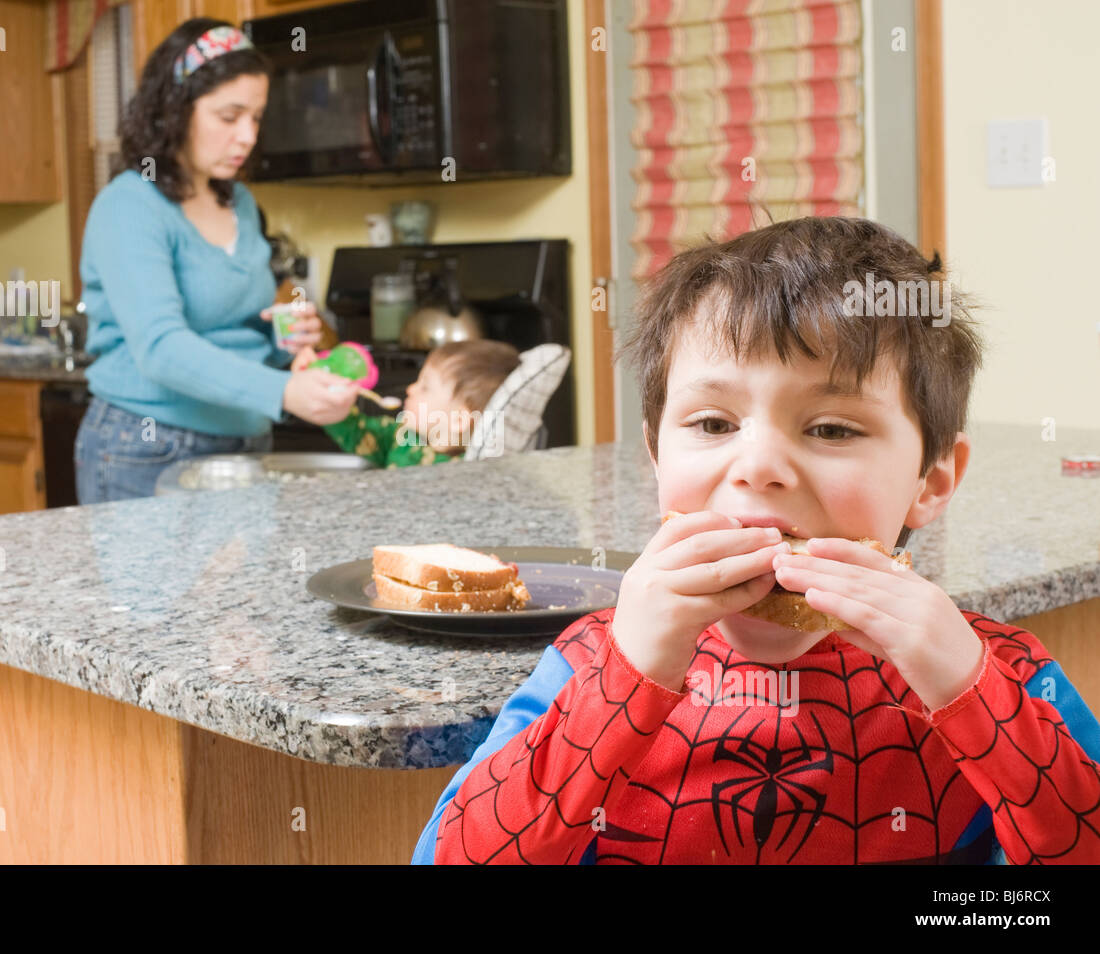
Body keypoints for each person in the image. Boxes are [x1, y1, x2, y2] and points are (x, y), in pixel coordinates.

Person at [413, 216, 1100, 864]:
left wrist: (971, 690)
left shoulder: (999, 673)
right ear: (656, 457)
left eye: (832, 429)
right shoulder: (591, 662)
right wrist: (622, 681)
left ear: (932, 478)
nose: (759, 466)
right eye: (713, 424)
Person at [74, 19, 358, 503]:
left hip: (246, 442)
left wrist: (286, 342)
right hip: (146, 448)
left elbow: (237, 329)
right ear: (175, 111)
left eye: (256, 117)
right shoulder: (129, 207)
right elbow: (161, 348)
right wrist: (283, 393)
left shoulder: (240, 203)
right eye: (229, 117)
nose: (247, 136)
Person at [295, 339, 520, 467]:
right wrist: (329, 396)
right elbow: (356, 433)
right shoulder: (401, 436)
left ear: (458, 420)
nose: (410, 389)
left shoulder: (465, 473)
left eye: (425, 387)